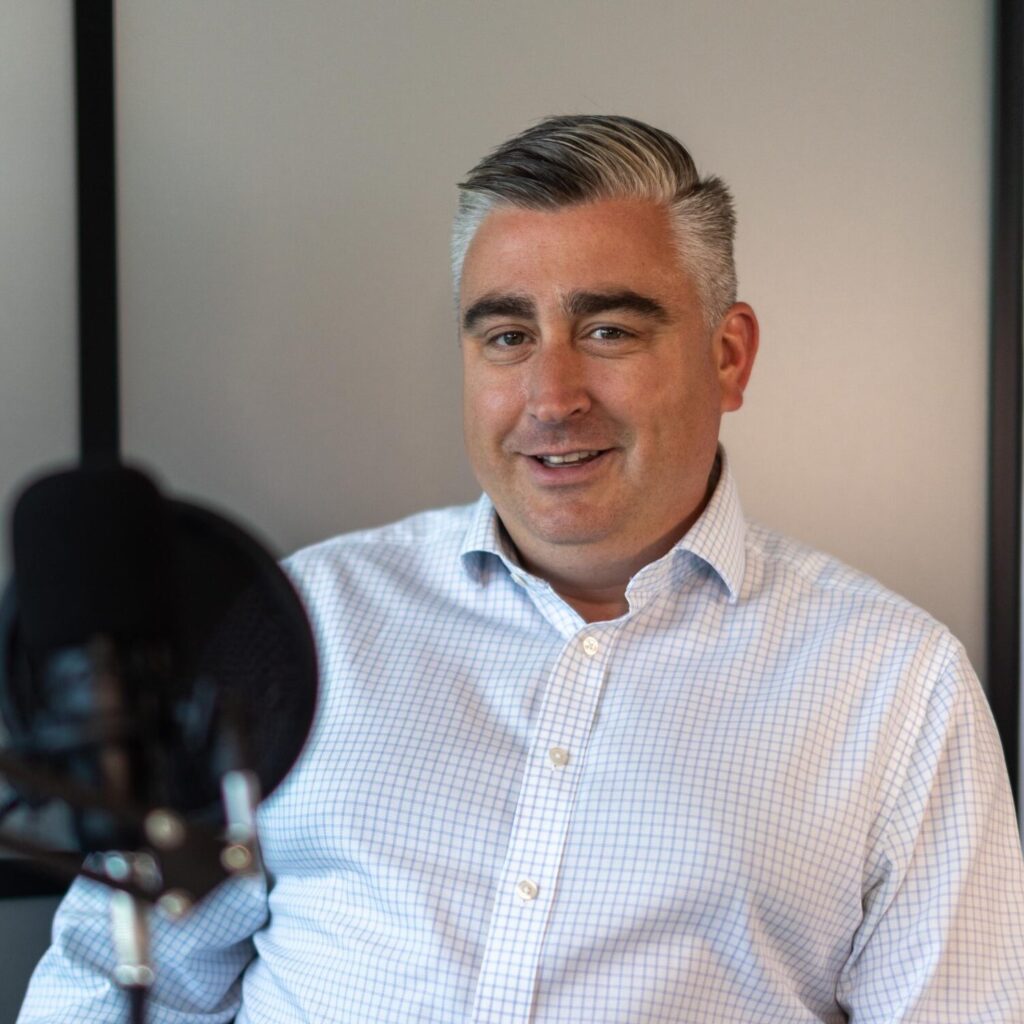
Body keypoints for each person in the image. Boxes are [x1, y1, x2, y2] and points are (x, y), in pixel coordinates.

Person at [18, 115, 1024, 1023]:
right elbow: (112, 981)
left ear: (728, 356)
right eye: (507, 335)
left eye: (609, 330)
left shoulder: (897, 684)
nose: (551, 395)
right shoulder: (296, 626)